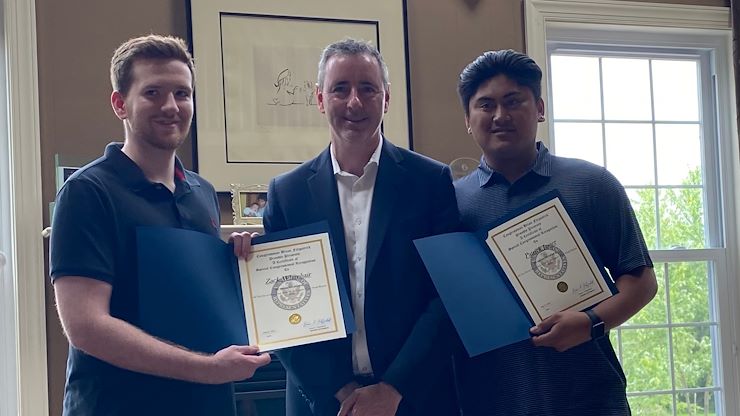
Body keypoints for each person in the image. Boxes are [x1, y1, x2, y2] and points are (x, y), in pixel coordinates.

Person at [49, 34, 271, 416]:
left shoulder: (200, 191)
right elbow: (85, 326)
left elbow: (193, 298)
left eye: (182, 94)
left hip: (205, 405)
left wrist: (238, 266)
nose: (171, 106)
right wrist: (207, 368)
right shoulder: (87, 193)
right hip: (119, 406)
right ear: (120, 104)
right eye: (153, 92)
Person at [452, 49, 658, 415]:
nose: (500, 115)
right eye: (485, 105)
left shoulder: (592, 184)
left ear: (540, 108)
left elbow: (641, 282)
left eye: (514, 101)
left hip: (590, 398)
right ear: (468, 119)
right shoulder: (452, 203)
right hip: (491, 400)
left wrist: (590, 323)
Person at [263, 38, 460, 416]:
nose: (354, 102)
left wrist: (393, 388)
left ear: (386, 98)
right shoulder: (286, 195)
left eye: (367, 88)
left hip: (415, 398)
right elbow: (281, 311)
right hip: (324, 402)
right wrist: (341, 391)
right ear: (321, 99)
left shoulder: (430, 182)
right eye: (340, 88)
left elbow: (446, 296)